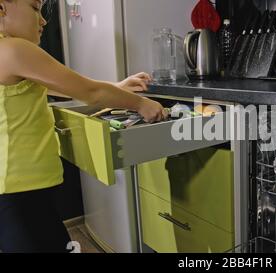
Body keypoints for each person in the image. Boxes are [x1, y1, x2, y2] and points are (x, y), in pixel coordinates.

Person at [0, 0, 168, 253]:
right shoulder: (13, 49)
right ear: (1, 8)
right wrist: (140, 103)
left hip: (13, 188)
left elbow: (68, 85)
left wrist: (118, 87)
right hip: (19, 191)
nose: (44, 21)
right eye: (35, 8)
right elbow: (90, 92)